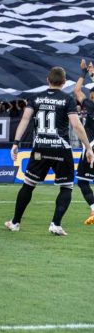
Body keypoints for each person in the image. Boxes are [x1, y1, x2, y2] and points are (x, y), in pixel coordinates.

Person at [7, 66, 94, 236]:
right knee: (66, 187)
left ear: (48, 80)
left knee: (29, 184)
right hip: (61, 149)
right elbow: (76, 125)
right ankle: (56, 224)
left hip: (40, 148)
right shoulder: (67, 100)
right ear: (63, 82)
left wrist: (16, 143)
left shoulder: (36, 98)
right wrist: (88, 147)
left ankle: (15, 222)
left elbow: (25, 120)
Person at [73, 60, 94, 225]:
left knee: (82, 180)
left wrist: (85, 72)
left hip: (92, 146)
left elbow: (77, 90)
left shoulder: (90, 105)